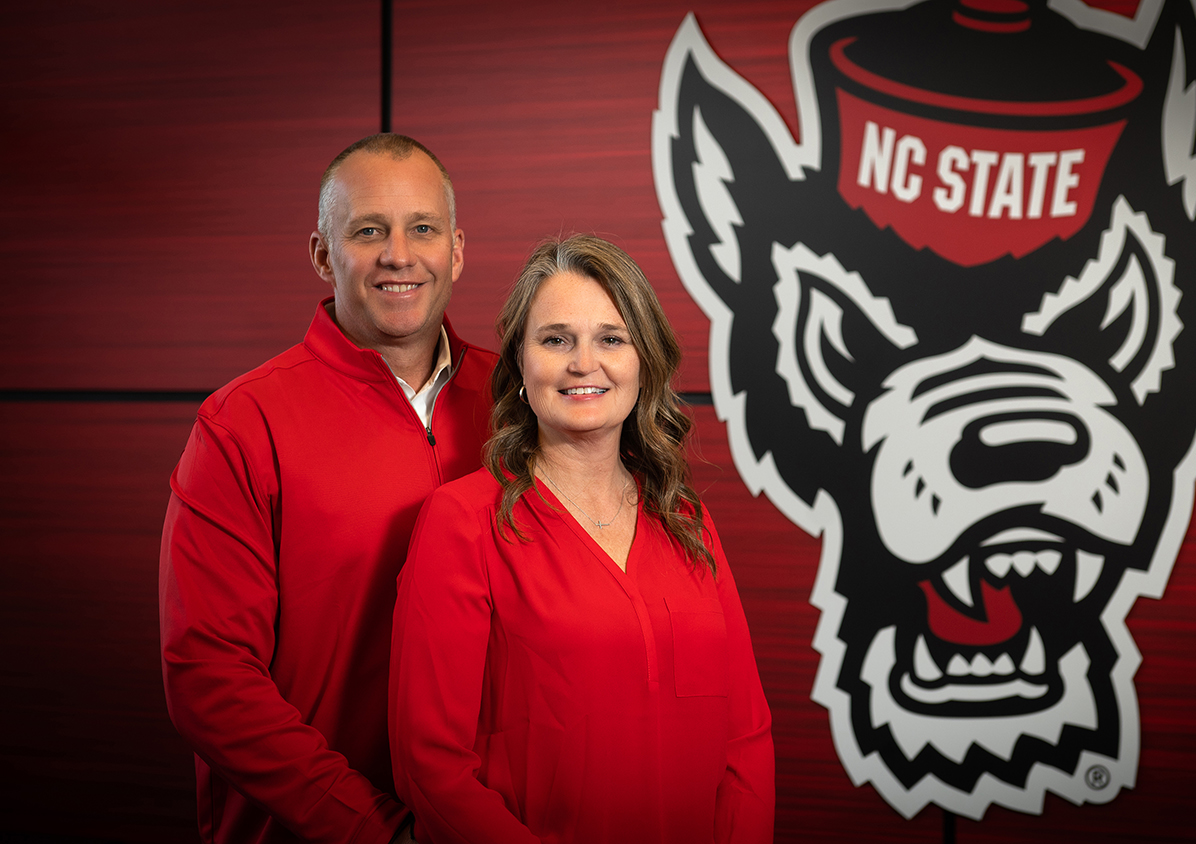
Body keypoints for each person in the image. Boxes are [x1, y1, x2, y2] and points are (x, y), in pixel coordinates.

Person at [159, 133, 498, 844]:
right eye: (369, 231)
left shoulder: (524, 403)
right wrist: (378, 831)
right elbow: (209, 679)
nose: (399, 255)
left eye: (423, 229)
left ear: (457, 251)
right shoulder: (242, 424)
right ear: (322, 254)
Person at [388, 234, 775, 843]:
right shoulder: (461, 522)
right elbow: (431, 764)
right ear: (520, 364)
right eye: (555, 339)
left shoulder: (686, 519)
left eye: (611, 339)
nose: (582, 363)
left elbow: (745, 739)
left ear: (643, 361)